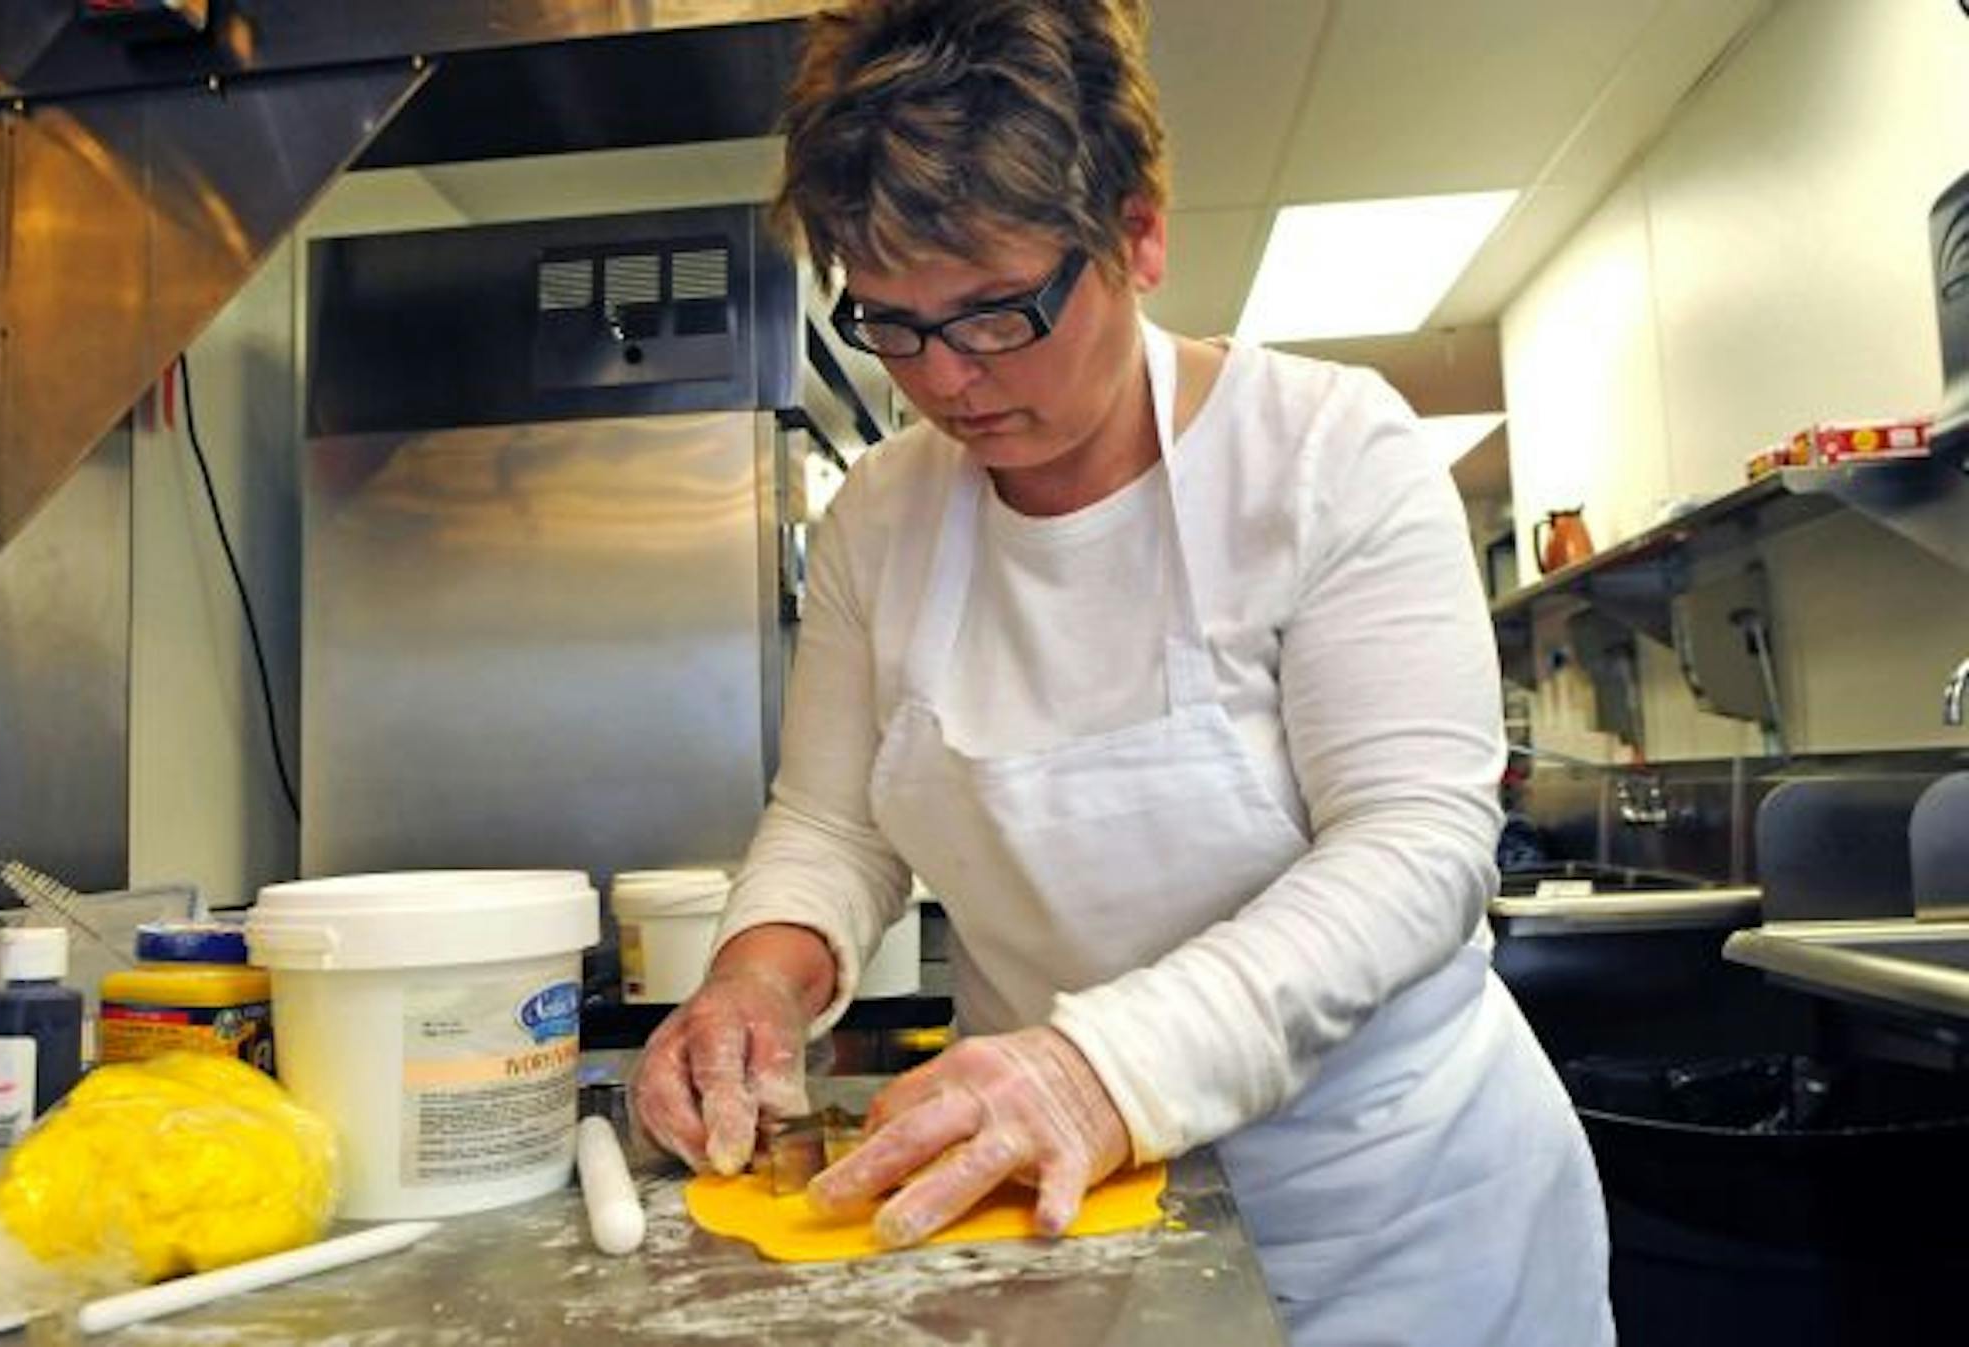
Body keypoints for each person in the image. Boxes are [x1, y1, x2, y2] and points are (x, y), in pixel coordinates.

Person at [632, 1, 1615, 1341]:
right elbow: (832, 825)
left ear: (1139, 232)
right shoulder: (879, 514)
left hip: (1397, 1213)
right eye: (894, 326)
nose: (948, 380)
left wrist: (1101, 1066)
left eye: (995, 313)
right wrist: (758, 975)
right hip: (1059, 1214)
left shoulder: (1326, 454)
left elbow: (1416, 846)